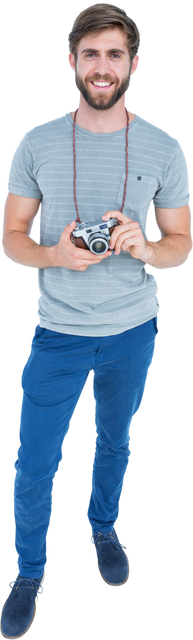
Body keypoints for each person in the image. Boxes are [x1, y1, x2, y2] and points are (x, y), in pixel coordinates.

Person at [0, 2, 192, 637]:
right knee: (35, 461)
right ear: (71, 63)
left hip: (133, 332)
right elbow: (9, 237)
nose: (102, 67)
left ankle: (104, 529)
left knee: (114, 442)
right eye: (91, 55)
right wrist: (51, 254)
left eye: (115, 54)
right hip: (56, 334)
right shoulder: (37, 141)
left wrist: (147, 248)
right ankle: (29, 573)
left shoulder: (164, 146)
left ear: (134, 63)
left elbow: (182, 245)